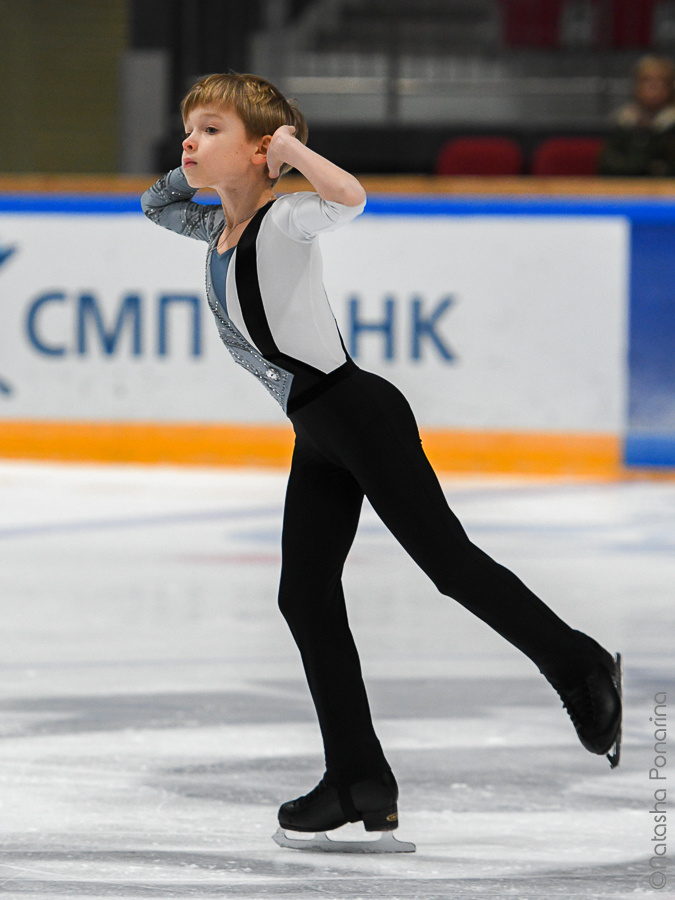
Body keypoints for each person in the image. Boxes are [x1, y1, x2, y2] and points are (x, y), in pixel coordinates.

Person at [141, 72, 622, 845]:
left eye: (210, 131)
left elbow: (349, 200)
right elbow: (155, 204)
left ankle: (578, 664)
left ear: (262, 150)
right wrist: (207, 164)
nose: (190, 142)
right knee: (303, 595)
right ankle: (357, 777)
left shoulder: (287, 216)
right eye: (188, 128)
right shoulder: (216, 229)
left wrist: (287, 149)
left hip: (357, 413)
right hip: (317, 429)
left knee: (448, 564)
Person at [599, 55, 675, 176]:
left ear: (670, 87)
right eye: (646, 80)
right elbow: (606, 167)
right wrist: (648, 165)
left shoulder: (671, 125)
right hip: (623, 191)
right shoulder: (622, 121)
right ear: (636, 86)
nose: (653, 86)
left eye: (661, 81)